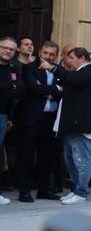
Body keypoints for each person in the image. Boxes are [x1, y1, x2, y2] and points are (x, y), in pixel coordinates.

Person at [52, 47, 91, 205]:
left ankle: (81, 192)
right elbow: (69, 82)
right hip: (73, 125)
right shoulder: (82, 73)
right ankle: (76, 189)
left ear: (82, 58)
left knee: (81, 160)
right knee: (70, 159)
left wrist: (54, 68)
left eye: (71, 57)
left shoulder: (89, 72)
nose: (69, 61)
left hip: (82, 125)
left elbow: (72, 79)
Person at [17, 40, 62, 202]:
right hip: (32, 119)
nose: (48, 57)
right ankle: (24, 191)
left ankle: (44, 190)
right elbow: (33, 88)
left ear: (56, 56)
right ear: (40, 52)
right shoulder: (30, 67)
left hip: (50, 119)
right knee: (27, 156)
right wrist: (55, 89)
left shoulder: (58, 71)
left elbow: (64, 91)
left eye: (52, 54)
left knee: (47, 157)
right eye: (45, 53)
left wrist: (50, 90)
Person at [0, 37, 25, 205]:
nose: (8, 51)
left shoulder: (14, 67)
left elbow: (19, 92)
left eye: (11, 49)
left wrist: (10, 117)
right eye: (4, 48)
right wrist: (9, 88)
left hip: (3, 115)